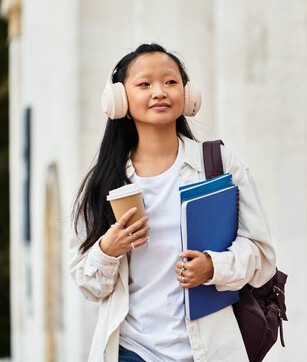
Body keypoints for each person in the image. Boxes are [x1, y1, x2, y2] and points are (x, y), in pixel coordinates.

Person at [69, 43, 277, 362]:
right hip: (131, 351)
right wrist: (107, 251)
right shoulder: (104, 182)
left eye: (170, 82)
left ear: (187, 94)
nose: (159, 92)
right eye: (144, 84)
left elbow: (262, 257)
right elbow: (88, 285)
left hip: (209, 351)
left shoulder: (219, 165)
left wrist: (213, 266)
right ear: (119, 98)